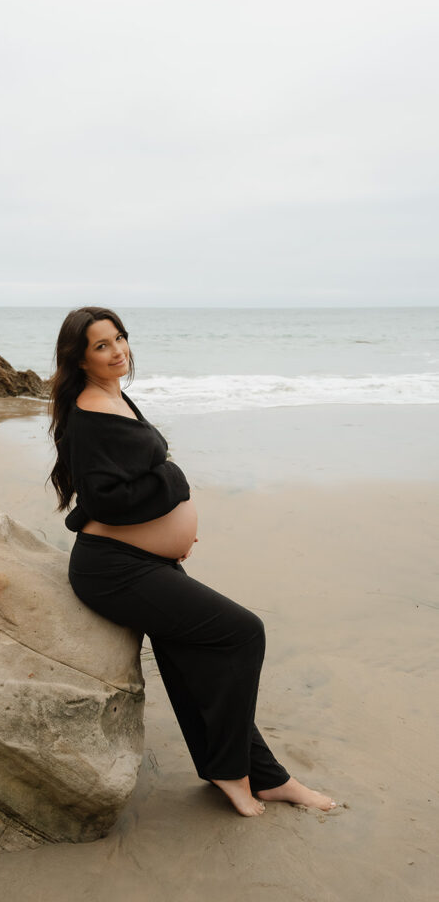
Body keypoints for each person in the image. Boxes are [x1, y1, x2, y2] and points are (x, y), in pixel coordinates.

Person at [49, 306, 336, 817]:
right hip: (113, 570)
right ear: (79, 357)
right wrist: (175, 481)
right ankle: (230, 770)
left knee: (192, 658)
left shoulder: (112, 397)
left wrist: (163, 536)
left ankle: (268, 778)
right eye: (102, 345)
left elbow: (95, 498)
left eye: (120, 338)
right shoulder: (91, 413)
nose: (118, 351)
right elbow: (108, 498)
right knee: (243, 632)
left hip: (137, 560)